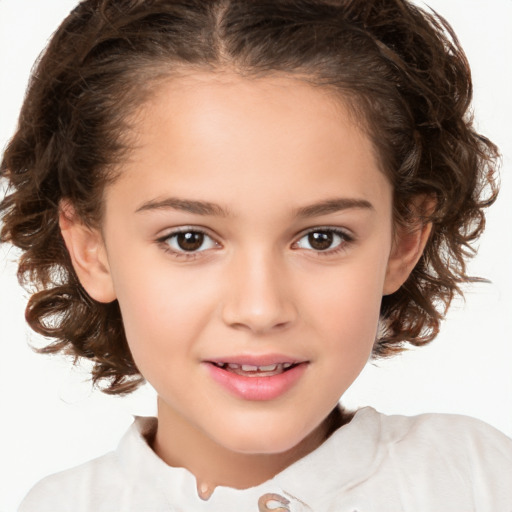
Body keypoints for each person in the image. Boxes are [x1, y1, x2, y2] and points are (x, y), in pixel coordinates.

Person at [1, 0, 511, 510]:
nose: (260, 309)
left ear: (405, 240)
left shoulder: (476, 479)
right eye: (189, 239)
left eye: (321, 238)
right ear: (92, 249)